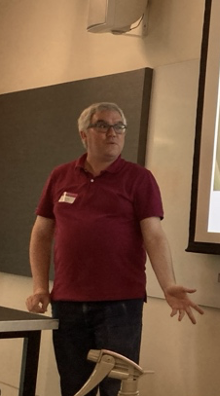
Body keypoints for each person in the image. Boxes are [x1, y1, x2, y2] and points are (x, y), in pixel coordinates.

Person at [25, 102, 203, 396]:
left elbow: (154, 236)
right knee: (74, 388)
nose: (113, 133)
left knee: (116, 390)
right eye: (103, 125)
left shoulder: (139, 178)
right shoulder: (60, 176)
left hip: (120, 305)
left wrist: (168, 284)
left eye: (119, 126)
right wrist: (40, 286)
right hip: (68, 302)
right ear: (84, 134)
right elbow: (41, 233)